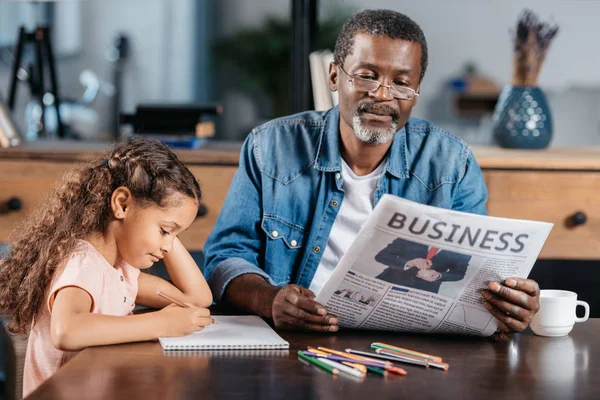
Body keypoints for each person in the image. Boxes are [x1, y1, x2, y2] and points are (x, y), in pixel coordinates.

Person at [204, 9, 540, 335]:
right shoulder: (271, 146)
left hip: (406, 347)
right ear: (335, 76)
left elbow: (469, 279)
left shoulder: (452, 162)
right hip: (298, 337)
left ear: (416, 93)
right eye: (367, 75)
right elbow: (226, 258)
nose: (382, 95)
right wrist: (269, 299)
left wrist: (508, 304)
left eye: (401, 83)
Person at [0, 139, 214, 397]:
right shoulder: (82, 263)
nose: (168, 246)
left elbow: (196, 299)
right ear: (122, 204)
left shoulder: (120, 271)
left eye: (174, 236)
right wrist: (162, 323)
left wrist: (171, 230)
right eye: (164, 231)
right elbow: (66, 330)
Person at [374, 239, 470, 294]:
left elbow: (459, 273)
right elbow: (381, 256)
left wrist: (438, 275)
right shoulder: (413, 234)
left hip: (423, 292)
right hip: (389, 281)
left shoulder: (464, 247)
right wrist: (409, 262)